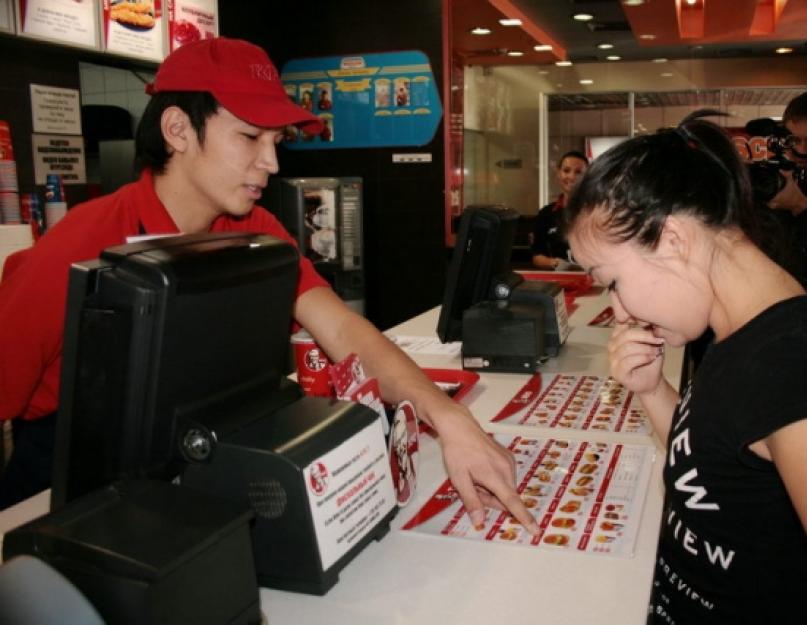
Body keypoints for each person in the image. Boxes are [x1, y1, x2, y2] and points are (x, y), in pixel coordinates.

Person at [0, 38, 538, 536]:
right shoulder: (78, 247)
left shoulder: (256, 230)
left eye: (276, 140)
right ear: (178, 130)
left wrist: (448, 418)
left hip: (184, 471)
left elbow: (344, 328)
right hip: (57, 496)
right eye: (250, 136)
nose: (271, 162)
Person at [561, 114, 807, 623]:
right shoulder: (736, 329)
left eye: (611, 282)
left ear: (672, 241)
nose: (621, 311)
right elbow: (719, 468)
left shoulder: (788, 362)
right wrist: (653, 392)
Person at [531, 150, 588, 269]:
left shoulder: (597, 212)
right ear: (558, 173)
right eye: (566, 170)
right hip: (558, 282)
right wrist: (555, 263)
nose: (572, 176)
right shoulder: (545, 214)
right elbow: (537, 257)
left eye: (578, 172)